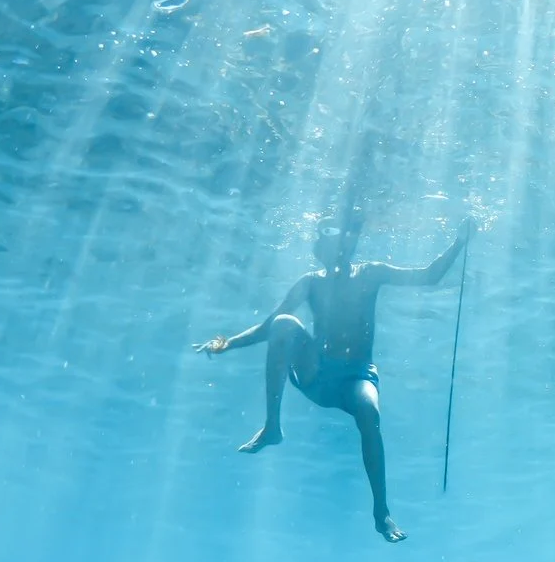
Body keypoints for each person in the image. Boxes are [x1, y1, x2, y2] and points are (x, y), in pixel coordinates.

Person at [195, 214, 471, 543]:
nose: (337, 249)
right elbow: (269, 326)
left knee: (369, 410)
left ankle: (381, 513)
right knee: (284, 323)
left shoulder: (371, 273)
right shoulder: (310, 283)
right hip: (318, 373)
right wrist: (228, 343)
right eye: (328, 242)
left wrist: (459, 242)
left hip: (357, 377)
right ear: (320, 250)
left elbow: (429, 276)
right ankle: (272, 427)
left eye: (342, 240)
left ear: (349, 245)